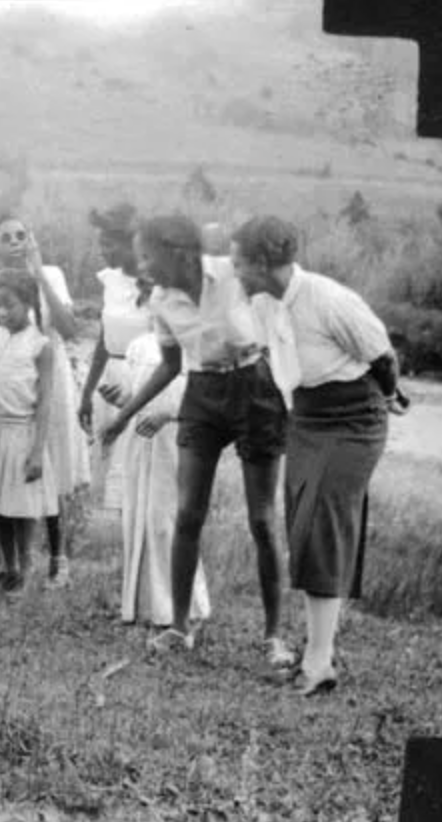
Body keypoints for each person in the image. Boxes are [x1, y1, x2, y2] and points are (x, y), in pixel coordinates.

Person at [100, 215, 293, 669]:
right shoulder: (162, 301)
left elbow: (284, 309)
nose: (143, 265)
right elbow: (169, 367)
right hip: (203, 395)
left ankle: (274, 637)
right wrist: (124, 416)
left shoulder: (233, 273)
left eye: (149, 255)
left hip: (255, 387)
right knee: (187, 514)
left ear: (179, 252)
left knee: (263, 519)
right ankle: (179, 627)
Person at [232, 215, 406, 695]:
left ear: (266, 263)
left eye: (241, 263)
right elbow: (277, 359)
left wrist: (387, 398)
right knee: (305, 532)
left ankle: (319, 663)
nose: (236, 272)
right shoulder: (265, 304)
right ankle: (317, 654)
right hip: (306, 420)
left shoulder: (330, 300)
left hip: (353, 421)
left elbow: (384, 359)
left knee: (324, 530)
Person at [0, 214, 89, 588]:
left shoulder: (50, 274)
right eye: (6, 236)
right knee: (11, 480)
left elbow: (70, 330)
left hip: (46, 383)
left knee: (51, 469)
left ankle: (58, 557)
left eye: (22, 234)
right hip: (7, 390)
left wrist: (38, 273)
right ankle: (12, 565)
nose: (16, 241)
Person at [107, 332, 212, 627]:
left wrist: (169, 414)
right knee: (139, 518)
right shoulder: (138, 345)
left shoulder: (196, 344)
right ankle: (140, 607)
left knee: (166, 521)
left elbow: (204, 399)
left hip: (176, 441)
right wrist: (123, 401)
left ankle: (179, 608)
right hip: (141, 439)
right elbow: (138, 394)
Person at [0, 270, 56, 595]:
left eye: (9, 305)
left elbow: (45, 401)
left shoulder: (40, 345)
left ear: (29, 303)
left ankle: (27, 567)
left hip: (23, 433)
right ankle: (9, 567)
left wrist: (37, 451)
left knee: (22, 508)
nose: (2, 313)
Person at [78, 203, 153, 510]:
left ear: (131, 242)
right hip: (110, 376)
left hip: (145, 378)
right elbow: (103, 340)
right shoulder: (110, 279)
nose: (102, 251)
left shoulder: (157, 282)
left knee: (137, 460)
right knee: (106, 457)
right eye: (100, 244)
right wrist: (86, 392)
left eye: (108, 245)